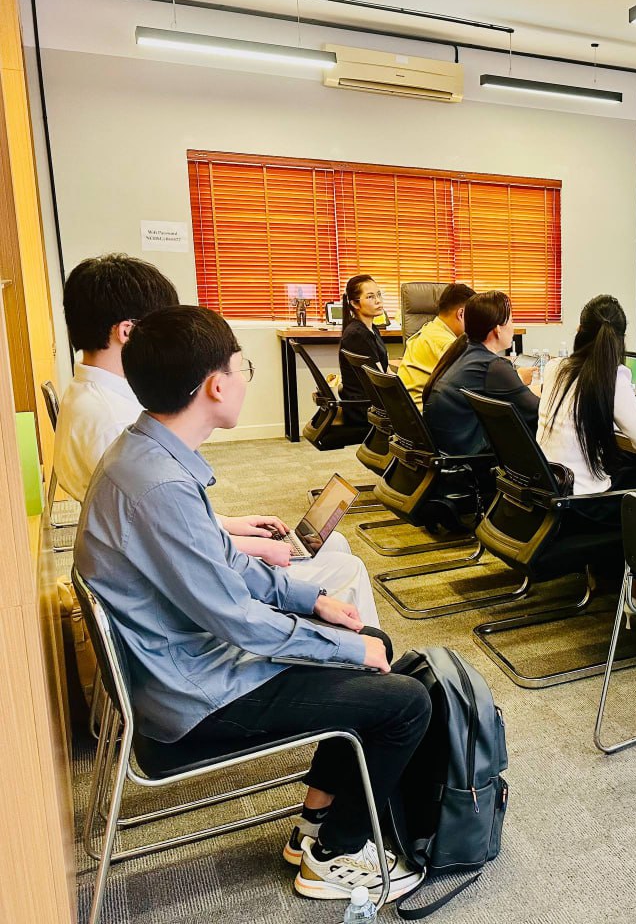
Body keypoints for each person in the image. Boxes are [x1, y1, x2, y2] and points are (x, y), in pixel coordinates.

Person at [74, 305, 428, 902]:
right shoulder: (160, 485)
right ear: (216, 386)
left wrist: (314, 600)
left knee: (372, 644)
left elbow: (227, 565)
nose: (244, 379)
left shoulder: (145, 457)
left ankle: (314, 825)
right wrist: (345, 647)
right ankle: (333, 857)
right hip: (194, 699)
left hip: (181, 666)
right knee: (405, 702)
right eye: (243, 368)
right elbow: (237, 620)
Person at [50, 254, 380, 628]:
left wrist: (229, 524)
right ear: (128, 333)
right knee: (346, 567)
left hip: (171, 567)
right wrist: (252, 547)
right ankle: (364, 651)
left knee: (329, 546)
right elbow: (177, 545)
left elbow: (165, 522)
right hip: (182, 597)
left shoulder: (92, 398)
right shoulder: (115, 424)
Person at [539, 295, 636, 509]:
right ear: (621, 340)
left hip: (549, 488)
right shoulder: (613, 377)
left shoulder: (554, 367)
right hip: (583, 502)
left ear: (580, 330)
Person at [423, 290, 538, 455]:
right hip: (468, 458)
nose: (514, 327)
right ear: (497, 329)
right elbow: (537, 412)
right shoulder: (492, 366)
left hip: (447, 449)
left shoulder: (464, 350)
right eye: (512, 320)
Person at [397, 283, 475, 408]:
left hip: (407, 409)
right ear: (461, 314)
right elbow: (471, 386)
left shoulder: (429, 329)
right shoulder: (447, 344)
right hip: (423, 413)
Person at [338, 274, 388, 422]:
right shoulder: (357, 334)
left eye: (379, 295)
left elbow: (385, 370)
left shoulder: (371, 329)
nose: (378, 300)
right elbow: (380, 378)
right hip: (364, 408)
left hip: (370, 402)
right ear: (355, 303)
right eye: (370, 297)